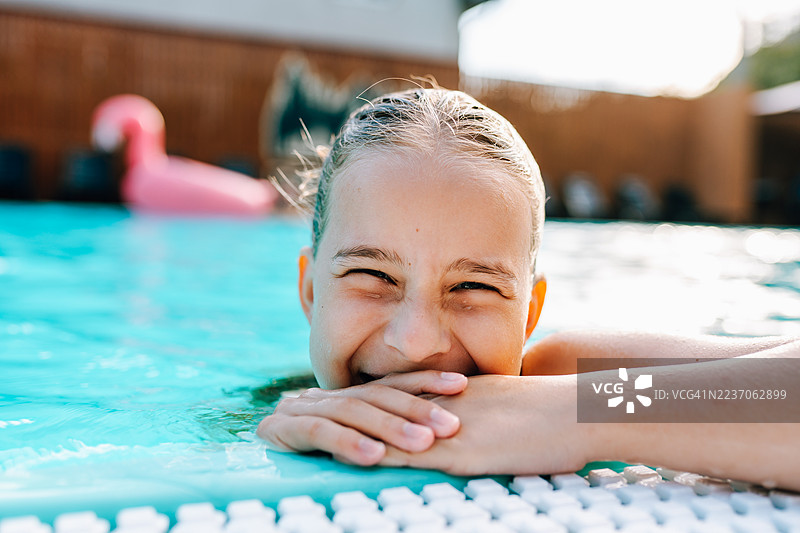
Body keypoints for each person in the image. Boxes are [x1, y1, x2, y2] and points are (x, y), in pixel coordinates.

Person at [257, 86, 800, 491]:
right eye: (374, 277)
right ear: (309, 291)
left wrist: (579, 413)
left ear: (529, 314)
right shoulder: (242, 417)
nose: (417, 341)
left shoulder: (564, 376)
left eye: (472, 285)